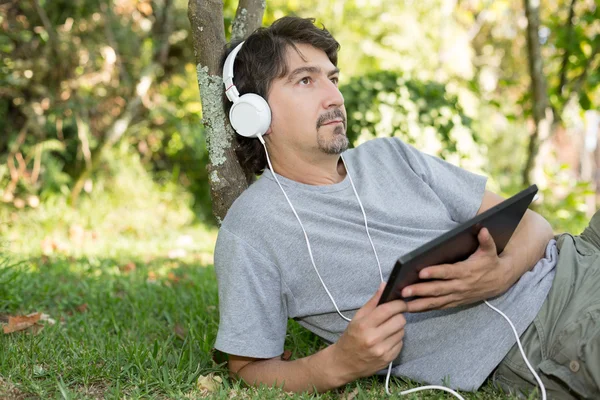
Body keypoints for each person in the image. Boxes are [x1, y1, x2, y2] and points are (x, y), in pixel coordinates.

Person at [213, 16, 600, 399]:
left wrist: (502, 272)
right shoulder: (252, 229)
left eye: (332, 79)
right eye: (305, 80)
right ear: (253, 112)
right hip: (549, 330)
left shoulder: (390, 155)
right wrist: (337, 365)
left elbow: (532, 224)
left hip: (581, 255)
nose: (334, 97)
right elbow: (247, 369)